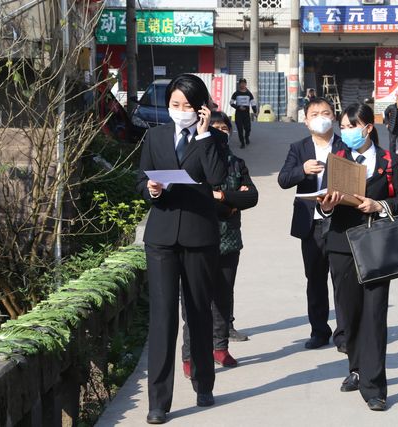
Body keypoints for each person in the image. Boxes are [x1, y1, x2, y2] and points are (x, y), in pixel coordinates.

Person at [136, 74, 228, 424]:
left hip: (199, 236)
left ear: (201, 106)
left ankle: (204, 382)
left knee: (198, 312)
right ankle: (158, 402)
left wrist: (204, 134)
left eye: (187, 106)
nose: (180, 111)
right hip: (160, 237)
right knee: (162, 319)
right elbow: (139, 179)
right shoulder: (155, 135)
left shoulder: (214, 138)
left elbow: (217, 177)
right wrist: (152, 190)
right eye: (175, 105)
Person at [318, 103, 398, 412]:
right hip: (342, 245)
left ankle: (375, 386)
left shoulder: (389, 160)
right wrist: (328, 205)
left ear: (368, 127)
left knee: (374, 315)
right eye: (343, 127)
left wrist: (379, 205)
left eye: (350, 126)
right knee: (348, 314)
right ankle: (356, 369)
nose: (345, 132)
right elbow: (324, 202)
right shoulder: (338, 160)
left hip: (376, 245)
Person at [181, 112, 258, 374]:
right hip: (196, 241)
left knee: (223, 298)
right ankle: (190, 355)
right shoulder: (193, 163)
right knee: (193, 301)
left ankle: (220, 347)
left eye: (224, 128)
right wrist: (230, 204)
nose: (220, 132)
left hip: (229, 242)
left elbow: (252, 197)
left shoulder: (237, 163)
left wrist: (222, 195)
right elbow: (193, 199)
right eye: (214, 128)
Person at [277, 97, 346, 351]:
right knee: (315, 279)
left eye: (325, 112)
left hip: (341, 221)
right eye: (314, 114)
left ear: (334, 117)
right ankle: (319, 331)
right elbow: (283, 179)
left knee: (342, 280)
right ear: (306, 121)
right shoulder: (299, 148)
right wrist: (302, 170)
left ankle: (344, 333)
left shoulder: (344, 144)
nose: (320, 117)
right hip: (311, 224)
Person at [230, 78, 257, 148]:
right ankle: (242, 143)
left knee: (248, 128)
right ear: (239, 84)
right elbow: (231, 103)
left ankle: (247, 137)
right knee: (240, 129)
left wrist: (255, 112)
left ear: (245, 84)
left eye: (244, 83)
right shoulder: (236, 93)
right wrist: (238, 107)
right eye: (241, 83)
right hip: (238, 114)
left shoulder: (249, 94)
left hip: (246, 114)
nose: (242, 85)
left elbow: (253, 103)